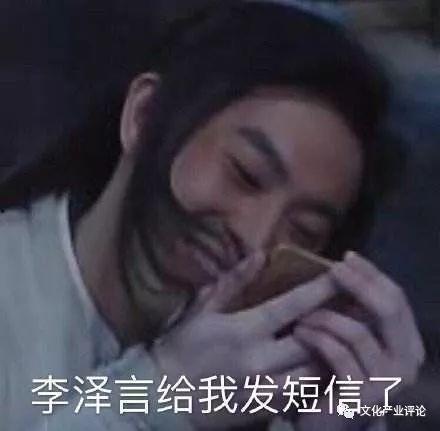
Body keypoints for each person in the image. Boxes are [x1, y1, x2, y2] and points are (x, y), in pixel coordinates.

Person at [0, 1, 425, 430]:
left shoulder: (268, 382)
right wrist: (162, 397)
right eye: (245, 174)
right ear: (145, 116)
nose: (257, 239)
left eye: (304, 231)